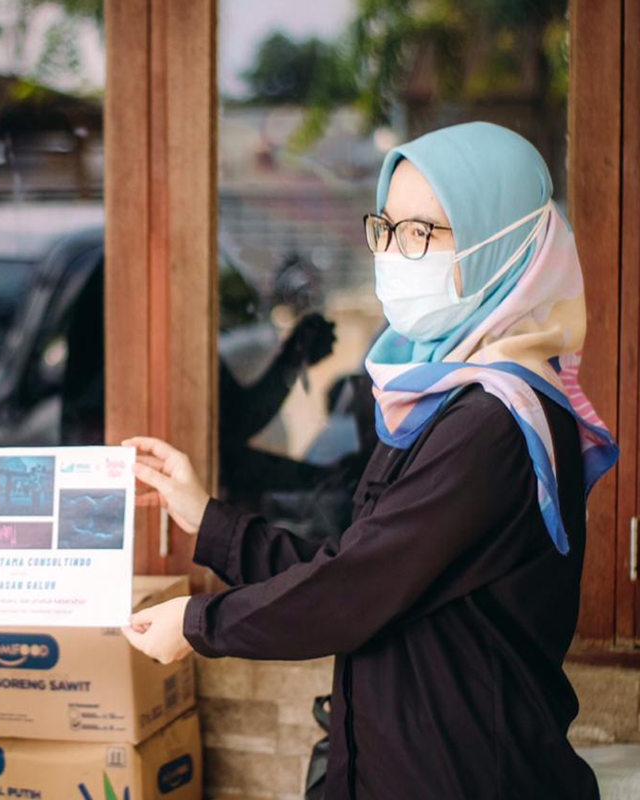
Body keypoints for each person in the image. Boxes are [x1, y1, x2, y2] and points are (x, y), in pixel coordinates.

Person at [120, 122, 618, 800]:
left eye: (421, 234)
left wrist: (197, 625)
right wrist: (206, 520)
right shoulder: (438, 395)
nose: (392, 252)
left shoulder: (495, 421)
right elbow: (364, 567)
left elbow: (354, 589)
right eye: (385, 228)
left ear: (502, 245)